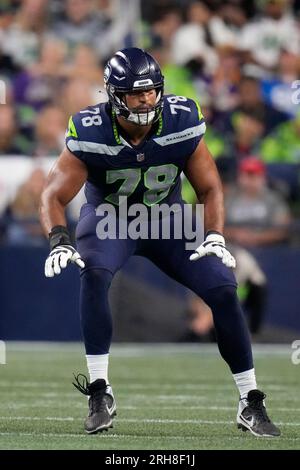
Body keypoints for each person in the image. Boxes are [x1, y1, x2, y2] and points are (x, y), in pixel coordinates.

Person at [39, 47, 280, 437]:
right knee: (94, 273)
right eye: (136, 93)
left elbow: (210, 186)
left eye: (152, 91)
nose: (147, 100)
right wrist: (59, 240)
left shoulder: (181, 120)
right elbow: (52, 194)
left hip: (170, 221)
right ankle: (100, 390)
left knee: (222, 287)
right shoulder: (90, 129)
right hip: (110, 220)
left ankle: (250, 400)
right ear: (115, 96)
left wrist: (216, 235)